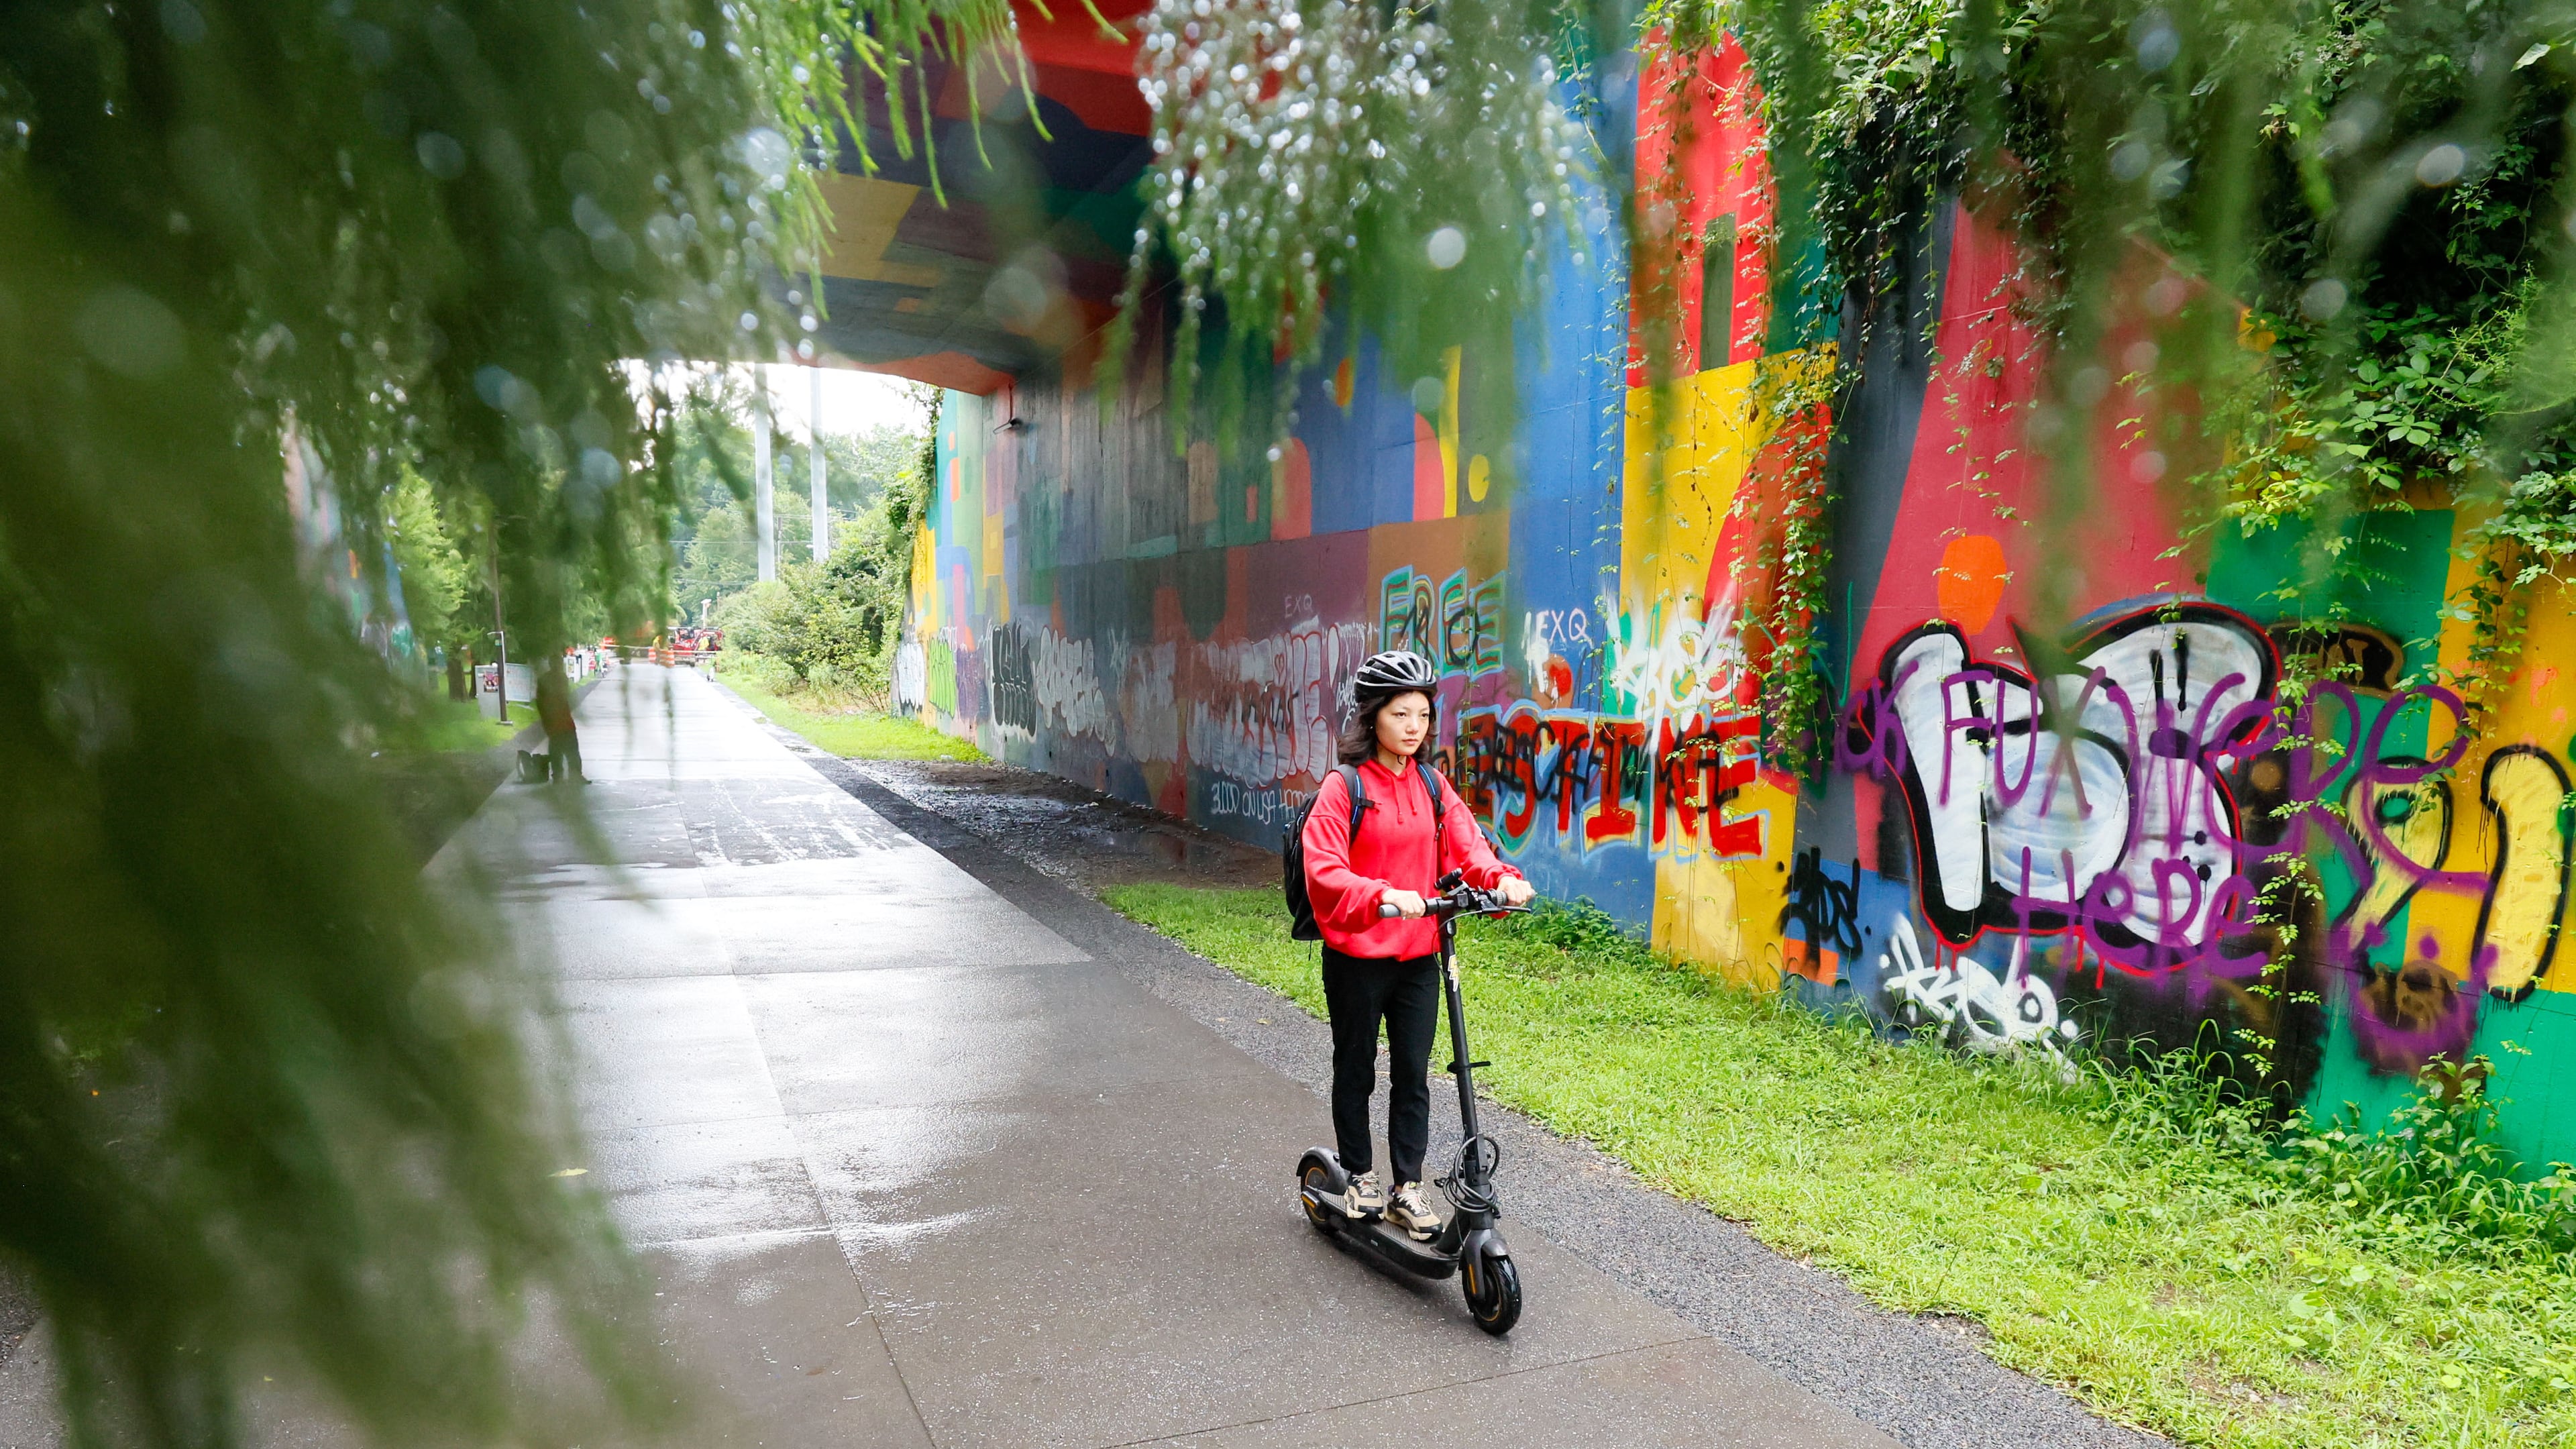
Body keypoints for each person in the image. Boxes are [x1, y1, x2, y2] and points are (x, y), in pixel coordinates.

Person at [1299, 649, 1535, 1240]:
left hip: (1418, 957)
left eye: (1424, 716)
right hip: (1357, 956)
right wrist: (1382, 893)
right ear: (1373, 717)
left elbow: (1468, 846)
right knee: (1356, 1068)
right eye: (1401, 713)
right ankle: (1357, 1174)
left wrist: (1500, 879)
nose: (1413, 726)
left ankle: (1407, 1185)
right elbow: (1323, 867)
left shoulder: (1432, 784)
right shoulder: (1344, 786)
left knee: (1415, 1072)